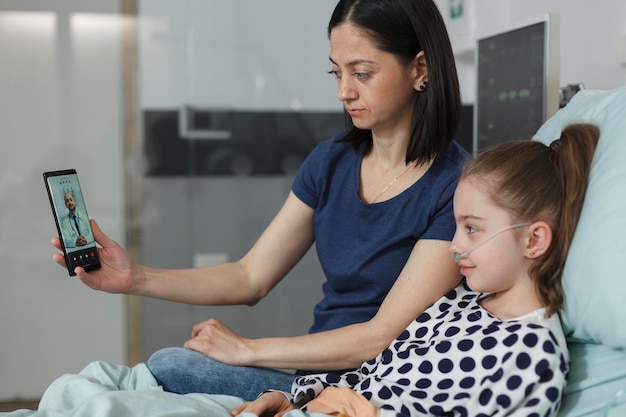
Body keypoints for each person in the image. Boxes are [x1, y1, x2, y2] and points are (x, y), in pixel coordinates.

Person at [51, 0, 467, 401]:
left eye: (362, 73)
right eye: (336, 72)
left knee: (173, 366)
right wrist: (135, 278)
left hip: (380, 387)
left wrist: (248, 350)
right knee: (173, 364)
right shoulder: (331, 161)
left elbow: (381, 335)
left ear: (420, 69)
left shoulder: (455, 187)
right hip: (315, 379)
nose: (343, 91)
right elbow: (251, 276)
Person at [234, 123, 600, 417]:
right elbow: (371, 376)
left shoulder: (531, 359)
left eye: (471, 228)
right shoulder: (456, 303)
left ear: (534, 240)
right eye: (456, 227)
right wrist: (294, 400)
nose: (454, 246)